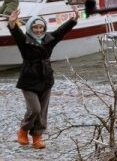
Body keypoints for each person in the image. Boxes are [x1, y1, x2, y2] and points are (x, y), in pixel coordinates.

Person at [7, 9, 78, 148]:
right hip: (28, 80)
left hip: (46, 79)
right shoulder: (24, 40)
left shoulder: (49, 39)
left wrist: (73, 20)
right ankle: (23, 130)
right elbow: (16, 33)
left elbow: (61, 31)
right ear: (30, 28)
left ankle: (37, 137)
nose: (39, 30)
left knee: (43, 111)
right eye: (35, 27)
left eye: (41, 27)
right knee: (35, 109)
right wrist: (12, 22)